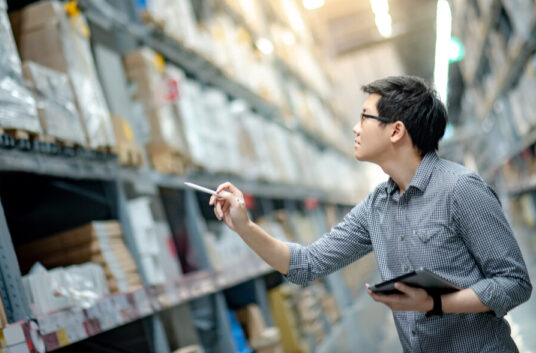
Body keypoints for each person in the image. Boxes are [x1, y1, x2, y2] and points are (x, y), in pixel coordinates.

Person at [209, 75, 532, 353]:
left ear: (396, 131)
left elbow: (514, 282)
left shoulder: (461, 189)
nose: (355, 128)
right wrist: (245, 226)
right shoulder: (377, 206)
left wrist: (436, 304)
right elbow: (306, 265)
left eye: (365, 117)